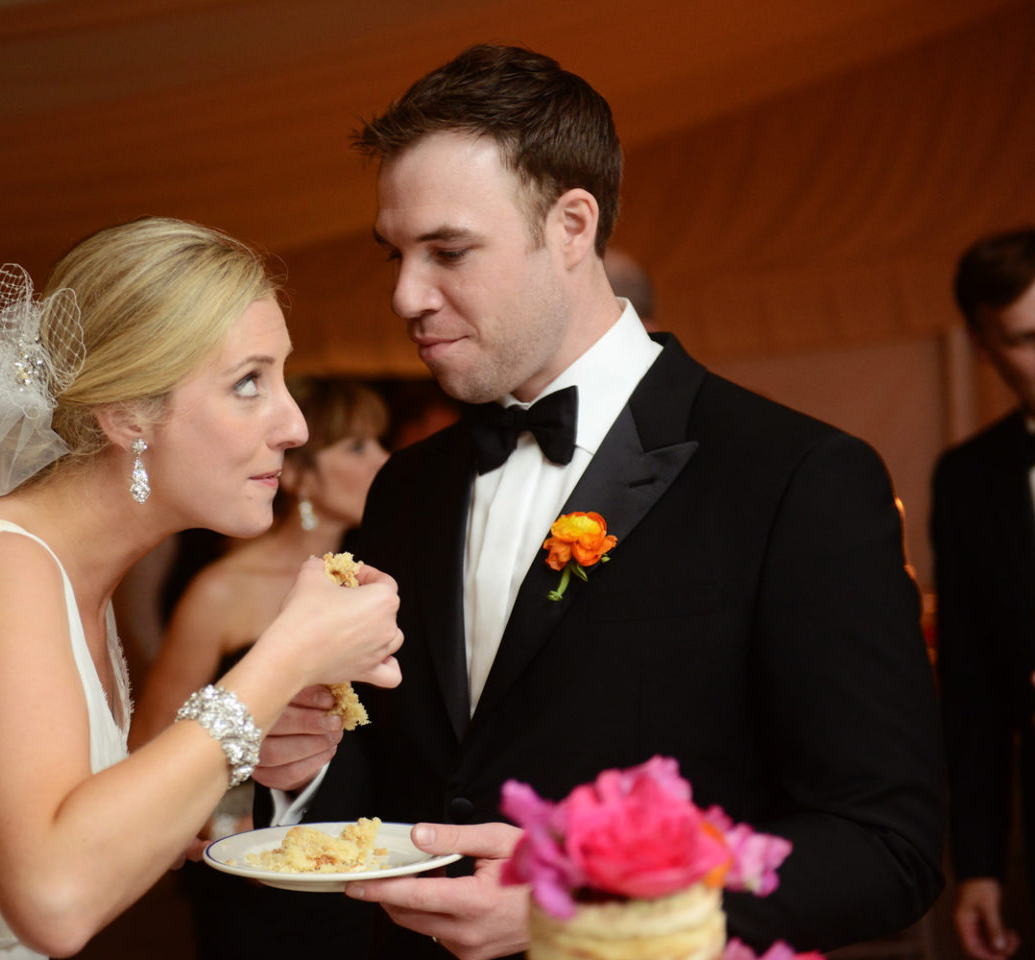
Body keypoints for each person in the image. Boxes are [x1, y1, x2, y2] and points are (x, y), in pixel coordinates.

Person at [253, 43, 945, 959]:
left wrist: (579, 913)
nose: (406, 295)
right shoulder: (407, 488)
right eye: (396, 255)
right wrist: (299, 779)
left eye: (448, 251)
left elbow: (885, 850)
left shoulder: (797, 477)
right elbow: (403, 777)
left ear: (573, 226)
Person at [0, 217, 404, 960]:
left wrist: (240, 754)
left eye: (281, 380)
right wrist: (284, 658)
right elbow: (57, 899)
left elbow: (91, 839)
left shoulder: (72, 584)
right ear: (128, 415)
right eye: (248, 384)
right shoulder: (7, 571)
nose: (293, 424)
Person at [130, 377, 389, 958]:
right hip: (256, 876)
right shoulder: (222, 591)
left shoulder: (375, 585)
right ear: (295, 473)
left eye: (378, 442)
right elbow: (151, 743)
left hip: (366, 862)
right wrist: (228, 828)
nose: (383, 459)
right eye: (356, 446)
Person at [934, 226, 1035, 960]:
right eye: (1028, 339)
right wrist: (979, 865)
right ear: (983, 345)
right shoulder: (969, 479)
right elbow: (970, 693)